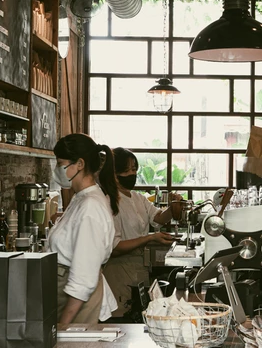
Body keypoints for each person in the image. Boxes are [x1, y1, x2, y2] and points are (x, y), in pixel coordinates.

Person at [46, 133, 120, 324]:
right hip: (65, 291)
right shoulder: (81, 198)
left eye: (60, 163)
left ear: (79, 164)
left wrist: (63, 325)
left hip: (77, 302)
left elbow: (83, 278)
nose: (57, 169)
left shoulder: (90, 207)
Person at [103, 148, 184, 317]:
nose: (132, 174)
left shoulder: (138, 198)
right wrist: (149, 238)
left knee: (139, 314)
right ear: (114, 173)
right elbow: (115, 248)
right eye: (127, 170)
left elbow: (158, 218)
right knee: (121, 317)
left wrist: (173, 206)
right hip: (118, 269)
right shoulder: (110, 201)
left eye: (134, 169)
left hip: (139, 266)